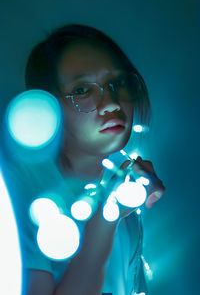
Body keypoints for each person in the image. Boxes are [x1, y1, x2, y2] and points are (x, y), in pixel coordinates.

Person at [2, 24, 165, 295]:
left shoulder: (127, 195)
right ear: (49, 108)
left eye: (117, 84)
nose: (112, 102)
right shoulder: (25, 202)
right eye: (82, 90)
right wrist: (106, 217)